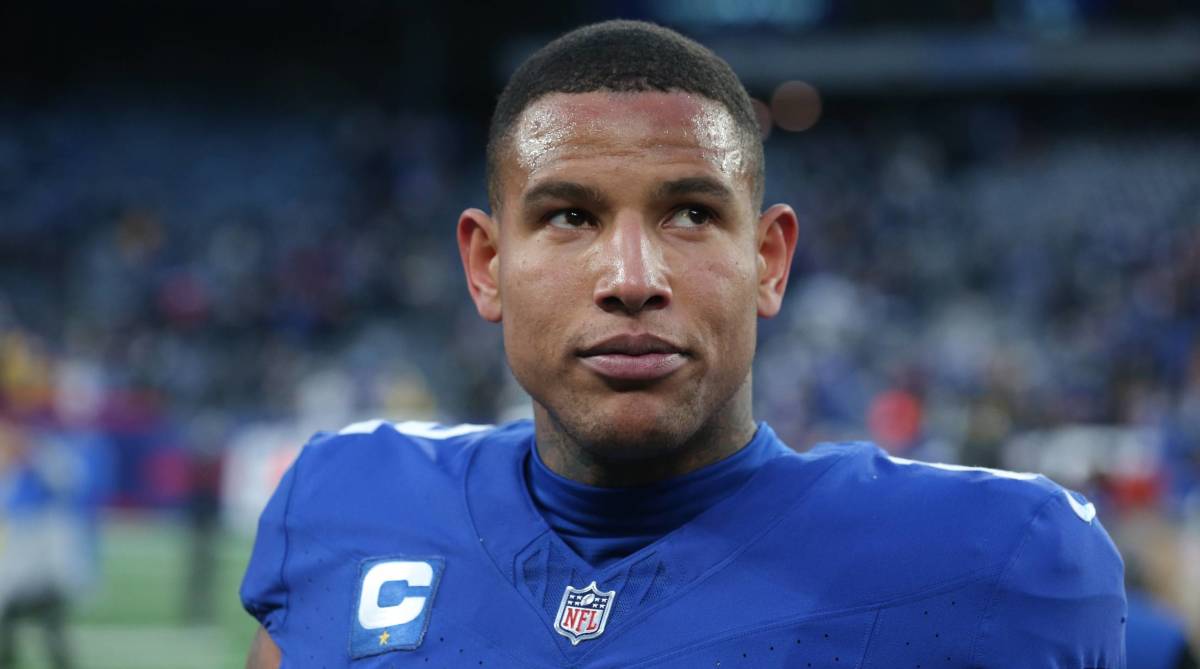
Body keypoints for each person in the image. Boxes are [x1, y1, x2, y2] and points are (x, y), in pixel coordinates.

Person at [241, 20, 1127, 668]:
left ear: (770, 260)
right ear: (486, 264)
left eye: (693, 214)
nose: (632, 275)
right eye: (571, 216)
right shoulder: (342, 498)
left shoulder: (1000, 559)